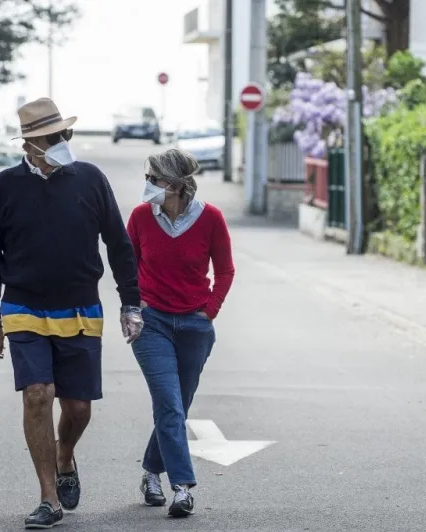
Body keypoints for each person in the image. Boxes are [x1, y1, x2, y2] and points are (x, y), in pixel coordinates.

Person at [0, 97, 144, 529]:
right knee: (38, 394)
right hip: (23, 306)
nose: (59, 142)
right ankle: (48, 497)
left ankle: (65, 454)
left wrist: (130, 302)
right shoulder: (4, 186)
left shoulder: (90, 180)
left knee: (79, 408)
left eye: (62, 135)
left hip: (81, 306)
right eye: (50, 138)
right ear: (29, 145)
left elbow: (119, 245)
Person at [126, 149, 235, 518]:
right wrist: (133, 308)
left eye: (153, 178)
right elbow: (127, 267)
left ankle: (150, 473)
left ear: (173, 184)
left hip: (194, 325)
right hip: (152, 323)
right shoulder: (141, 217)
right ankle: (183, 488)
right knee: (170, 405)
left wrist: (209, 312)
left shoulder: (211, 219)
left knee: (177, 407)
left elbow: (225, 272)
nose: (148, 185)